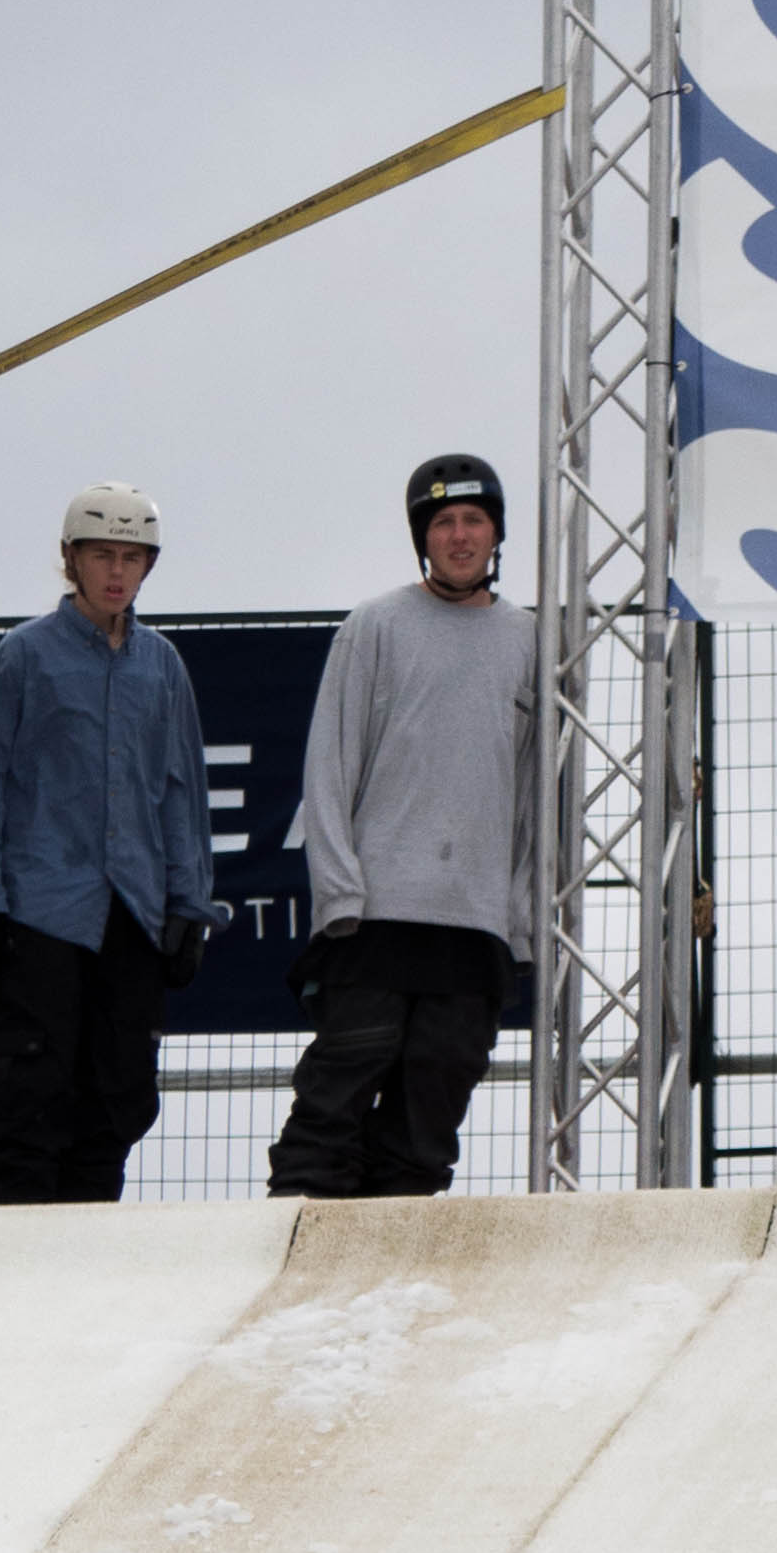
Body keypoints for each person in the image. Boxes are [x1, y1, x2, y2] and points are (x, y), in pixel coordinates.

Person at [268, 453, 534, 1199]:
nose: (458, 537)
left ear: (495, 534)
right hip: (375, 916)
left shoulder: (528, 641)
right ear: (422, 536)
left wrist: (515, 919)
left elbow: (538, 792)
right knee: (337, 1098)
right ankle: (291, 1256)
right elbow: (328, 768)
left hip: (474, 920)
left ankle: (392, 1293)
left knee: (429, 1119)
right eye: (443, 522)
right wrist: (339, 896)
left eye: (473, 520)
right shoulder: (375, 625)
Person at [0, 482, 219, 1203]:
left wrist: (188, 904)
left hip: (132, 914)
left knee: (117, 1102)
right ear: (70, 559)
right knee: (25, 1104)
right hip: (37, 914)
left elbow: (183, 792)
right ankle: (1, 1285)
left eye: (132, 557)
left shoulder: (162, 667)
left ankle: (84, 1284)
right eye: (102, 555)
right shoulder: (25, 655)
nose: (117, 572)